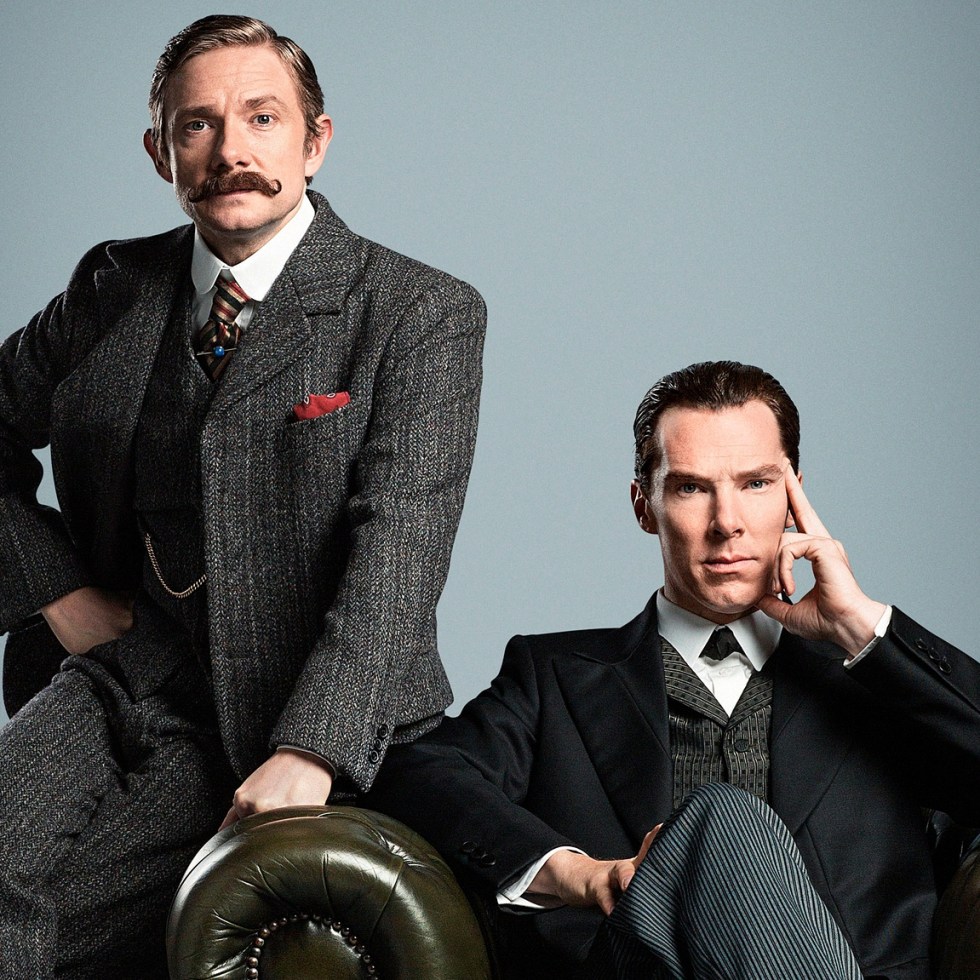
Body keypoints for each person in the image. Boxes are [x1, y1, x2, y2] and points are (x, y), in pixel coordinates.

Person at [0, 14, 485, 977]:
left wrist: (313, 750)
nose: (232, 151)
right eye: (198, 125)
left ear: (315, 140)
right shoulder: (111, 286)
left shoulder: (419, 312)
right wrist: (57, 591)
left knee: (59, 924)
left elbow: (399, 551)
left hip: (278, 709)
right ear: (161, 153)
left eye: (263, 118)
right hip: (116, 674)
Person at [367, 360, 980, 979]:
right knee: (724, 816)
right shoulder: (553, 678)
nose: (727, 522)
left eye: (756, 484)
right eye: (691, 488)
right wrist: (576, 873)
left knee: (726, 818)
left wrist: (861, 626)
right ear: (645, 506)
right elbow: (414, 774)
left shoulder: (874, 679)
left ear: (795, 497)